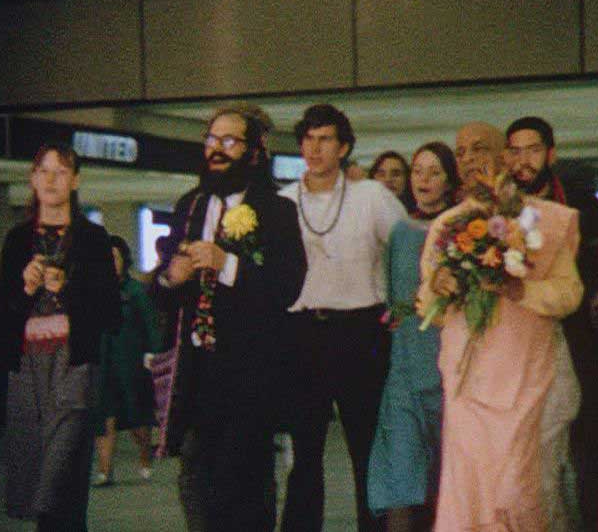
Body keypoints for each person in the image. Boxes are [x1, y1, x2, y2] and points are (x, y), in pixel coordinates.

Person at [416, 122, 584, 531]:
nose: (469, 159)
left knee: (522, 492)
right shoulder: (447, 225)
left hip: (528, 380)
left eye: (479, 149)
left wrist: (518, 289)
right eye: (460, 152)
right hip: (468, 385)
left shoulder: (544, 220)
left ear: (504, 157)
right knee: (468, 493)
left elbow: (569, 294)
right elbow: (428, 305)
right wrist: (440, 288)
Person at [151, 107, 306, 531]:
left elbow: (287, 287)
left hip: (249, 372)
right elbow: (160, 292)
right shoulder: (189, 205)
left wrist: (227, 265)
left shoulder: (276, 211)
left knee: (247, 481)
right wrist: (171, 277)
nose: (216, 151)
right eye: (211, 140)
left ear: (254, 153)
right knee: (196, 480)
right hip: (196, 370)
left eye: (229, 142)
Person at [278, 104, 406, 532]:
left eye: (325, 139)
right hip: (300, 335)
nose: (314, 149)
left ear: (344, 147)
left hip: (360, 332)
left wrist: (402, 307)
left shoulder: (371, 196)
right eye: (308, 139)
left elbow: (408, 250)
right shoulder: (282, 202)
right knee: (304, 453)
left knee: (366, 449)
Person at [0, 142, 121, 532]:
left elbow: (111, 314)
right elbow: (3, 317)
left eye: (61, 171)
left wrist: (67, 289)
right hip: (27, 370)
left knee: (57, 480)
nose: (50, 179)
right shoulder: (17, 239)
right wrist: (26, 290)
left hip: (74, 366)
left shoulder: (93, 238)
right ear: (32, 179)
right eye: (43, 171)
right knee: (41, 490)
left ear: (75, 180)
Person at [506, 116, 598, 531]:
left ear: (551, 154)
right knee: (536, 459)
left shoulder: (582, 206)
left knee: (586, 448)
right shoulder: (500, 211)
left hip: (583, 340)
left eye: (532, 150)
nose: (523, 160)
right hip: (521, 350)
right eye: (515, 150)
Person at [367, 141, 460, 532]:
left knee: (448, 479)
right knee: (399, 475)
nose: (423, 179)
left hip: (449, 370)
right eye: (418, 171)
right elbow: (392, 298)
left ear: (449, 179)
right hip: (405, 368)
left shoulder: (462, 230)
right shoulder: (401, 232)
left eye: (434, 171)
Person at [92, 235, 162, 486]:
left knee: (137, 418)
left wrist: (153, 354)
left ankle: (145, 457)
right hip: (103, 361)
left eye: (114, 258)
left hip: (131, 363)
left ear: (124, 260)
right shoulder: (96, 293)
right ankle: (104, 470)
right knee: (104, 417)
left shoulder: (136, 291)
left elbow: (151, 325)